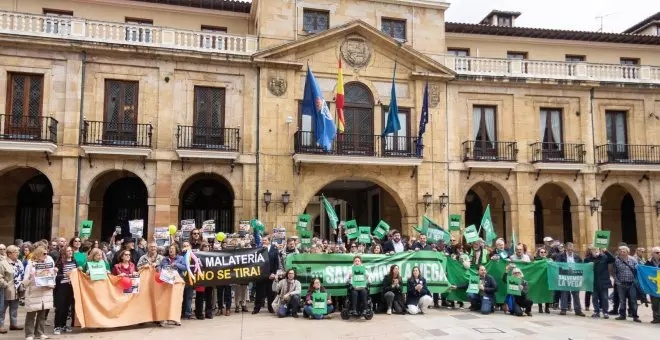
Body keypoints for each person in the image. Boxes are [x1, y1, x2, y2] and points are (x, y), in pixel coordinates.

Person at [23, 246, 55, 340]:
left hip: (45, 293)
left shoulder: (48, 265)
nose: (46, 255)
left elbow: (51, 278)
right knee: (31, 314)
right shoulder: (30, 265)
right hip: (33, 292)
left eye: (47, 253)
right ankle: (29, 334)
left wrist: (54, 273)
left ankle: (40, 333)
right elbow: (24, 282)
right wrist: (30, 277)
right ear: (38, 254)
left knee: (42, 314)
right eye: (44, 253)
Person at [159, 243, 187, 324]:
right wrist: (158, 268)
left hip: (177, 283)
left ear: (176, 250)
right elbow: (159, 267)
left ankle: (175, 318)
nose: (171, 250)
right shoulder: (165, 259)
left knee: (176, 301)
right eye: (170, 248)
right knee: (165, 301)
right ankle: (164, 318)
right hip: (166, 282)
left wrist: (176, 264)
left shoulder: (181, 258)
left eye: (172, 248)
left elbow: (185, 268)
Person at [583, 246, 615, 319]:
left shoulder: (604, 257)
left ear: (599, 250)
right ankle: (596, 311)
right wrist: (589, 266)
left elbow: (612, 259)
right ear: (591, 251)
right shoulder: (588, 259)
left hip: (604, 281)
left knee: (605, 297)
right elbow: (584, 269)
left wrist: (606, 251)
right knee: (594, 297)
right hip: (593, 281)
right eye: (594, 250)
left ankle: (605, 312)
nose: (595, 252)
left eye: (597, 250)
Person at [555, 242, 585, 317]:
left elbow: (581, 266)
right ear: (566, 249)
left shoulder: (577, 256)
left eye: (571, 249)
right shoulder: (560, 256)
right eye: (568, 249)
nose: (570, 251)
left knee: (576, 294)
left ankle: (578, 310)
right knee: (564, 293)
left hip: (575, 277)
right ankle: (563, 309)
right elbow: (557, 265)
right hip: (565, 276)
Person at [613, 246, 641, 322]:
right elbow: (614, 272)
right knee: (622, 300)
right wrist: (617, 282)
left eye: (624, 251)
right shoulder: (616, 260)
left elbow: (638, 271)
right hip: (621, 284)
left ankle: (635, 316)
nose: (622, 253)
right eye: (621, 251)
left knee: (633, 301)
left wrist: (636, 281)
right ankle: (622, 315)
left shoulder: (633, 260)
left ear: (628, 252)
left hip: (632, 284)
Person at [53, 246, 76, 335]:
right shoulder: (60, 262)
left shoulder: (74, 261)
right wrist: (64, 276)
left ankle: (63, 325)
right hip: (62, 287)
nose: (70, 252)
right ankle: (57, 326)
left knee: (67, 307)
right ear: (64, 252)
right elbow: (56, 276)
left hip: (71, 287)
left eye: (71, 250)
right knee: (60, 307)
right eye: (68, 251)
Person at [253, 236, 279, 314]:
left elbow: (276, 263)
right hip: (260, 274)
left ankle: (270, 308)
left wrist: (274, 273)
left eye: (265, 240)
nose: (263, 241)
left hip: (270, 275)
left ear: (269, 241)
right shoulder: (258, 249)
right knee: (259, 292)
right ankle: (257, 308)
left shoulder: (274, 250)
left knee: (270, 292)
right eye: (262, 240)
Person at [0, 245, 23, 333]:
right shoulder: (3, 263)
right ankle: (1, 325)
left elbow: (22, 274)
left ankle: (13, 324)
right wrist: (5, 285)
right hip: (5, 290)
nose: (18, 253)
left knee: (14, 308)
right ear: (9, 254)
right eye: (15, 252)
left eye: (18, 252)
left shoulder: (19, 262)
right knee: (2, 309)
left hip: (17, 289)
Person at [194, 242, 214, 320]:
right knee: (200, 297)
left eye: (208, 246)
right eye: (205, 246)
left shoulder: (213, 256)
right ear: (202, 247)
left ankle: (208, 313)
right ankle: (199, 313)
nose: (207, 247)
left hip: (209, 278)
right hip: (201, 278)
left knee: (209, 296)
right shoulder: (197, 256)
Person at [646, 246, 660, 324]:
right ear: (652, 254)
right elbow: (645, 271)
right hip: (653, 285)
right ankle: (656, 318)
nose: (659, 254)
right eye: (657, 252)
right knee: (655, 303)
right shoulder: (649, 262)